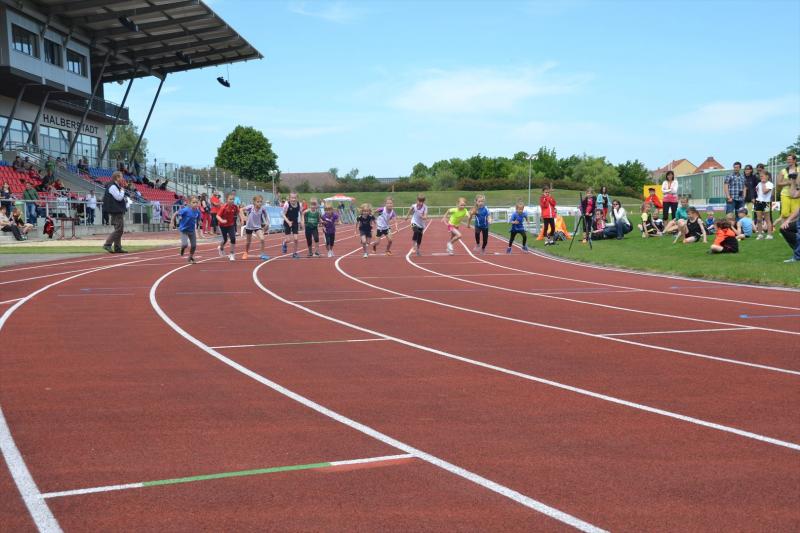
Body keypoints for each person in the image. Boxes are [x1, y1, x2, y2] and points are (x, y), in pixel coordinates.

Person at [102, 171, 128, 253]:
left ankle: (117, 247)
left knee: (118, 229)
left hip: (116, 210)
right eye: (121, 177)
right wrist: (122, 190)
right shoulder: (113, 186)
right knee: (119, 230)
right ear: (117, 177)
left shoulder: (114, 186)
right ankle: (107, 244)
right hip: (116, 210)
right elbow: (119, 198)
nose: (122, 178)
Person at [171, 195, 201, 264]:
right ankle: (182, 248)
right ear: (189, 203)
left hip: (192, 230)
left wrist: (199, 224)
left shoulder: (198, 211)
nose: (195, 204)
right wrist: (172, 222)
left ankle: (190, 257)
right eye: (193, 202)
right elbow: (175, 214)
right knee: (185, 244)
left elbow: (198, 219)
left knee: (194, 245)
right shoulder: (185, 210)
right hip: (184, 230)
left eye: (196, 202)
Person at [240, 195, 270, 260]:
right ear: (254, 202)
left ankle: (262, 254)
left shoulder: (262, 209)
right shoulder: (251, 207)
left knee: (262, 239)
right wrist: (243, 217)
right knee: (248, 242)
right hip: (249, 226)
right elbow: (241, 209)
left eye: (261, 202)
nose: (259, 203)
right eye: (258, 202)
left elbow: (266, 215)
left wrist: (267, 223)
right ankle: (246, 252)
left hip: (257, 226)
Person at [775, 154, 799, 230]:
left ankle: (792, 229)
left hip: (796, 193)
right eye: (787, 159)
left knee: (795, 212)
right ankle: (784, 229)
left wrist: (795, 183)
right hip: (785, 194)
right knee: (785, 213)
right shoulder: (783, 171)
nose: (788, 161)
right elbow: (778, 183)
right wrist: (788, 182)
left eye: (790, 159)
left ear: (794, 160)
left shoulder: (799, 169)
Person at [216, 193, 239, 261]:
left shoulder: (235, 207)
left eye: (233, 199)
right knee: (225, 240)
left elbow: (238, 212)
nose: (232, 201)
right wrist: (222, 220)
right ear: (227, 200)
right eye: (230, 199)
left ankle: (232, 253)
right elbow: (217, 216)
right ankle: (221, 248)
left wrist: (242, 218)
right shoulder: (223, 207)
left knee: (233, 238)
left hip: (231, 225)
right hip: (222, 225)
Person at [753, 170, 774, 240]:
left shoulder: (770, 184)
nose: (761, 177)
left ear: (767, 176)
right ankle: (760, 234)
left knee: (767, 219)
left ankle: (769, 235)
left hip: (766, 203)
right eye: (760, 176)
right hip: (758, 202)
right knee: (759, 219)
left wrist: (764, 183)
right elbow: (757, 191)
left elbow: (764, 191)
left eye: (762, 176)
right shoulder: (759, 183)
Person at [281, 192, 302, 258]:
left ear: (297, 198)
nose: (293, 199)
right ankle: (284, 242)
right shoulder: (287, 204)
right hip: (287, 222)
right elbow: (282, 214)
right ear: (289, 198)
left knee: (296, 239)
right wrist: (288, 222)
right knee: (288, 240)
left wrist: (302, 221)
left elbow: (301, 213)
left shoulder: (299, 204)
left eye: (295, 198)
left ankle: (294, 253)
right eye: (292, 198)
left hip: (295, 222)